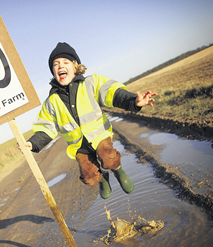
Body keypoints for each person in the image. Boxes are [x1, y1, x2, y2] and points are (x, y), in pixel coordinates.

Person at [19, 42, 157, 199]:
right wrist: (32, 143)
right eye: (55, 64)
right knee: (88, 178)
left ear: (75, 66)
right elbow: (46, 126)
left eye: (65, 62)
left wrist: (133, 101)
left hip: (99, 135)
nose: (60, 66)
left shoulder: (91, 83)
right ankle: (103, 179)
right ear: (53, 71)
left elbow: (112, 93)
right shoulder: (52, 101)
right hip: (79, 146)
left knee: (108, 157)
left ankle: (118, 170)